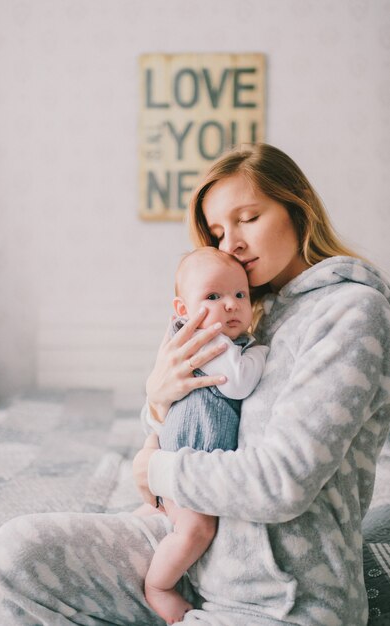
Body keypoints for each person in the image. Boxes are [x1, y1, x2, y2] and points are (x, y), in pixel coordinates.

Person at [0, 143, 390, 626]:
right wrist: (157, 397)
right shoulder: (249, 311)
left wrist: (157, 469)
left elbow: (283, 481)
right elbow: (190, 418)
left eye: (248, 218)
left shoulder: (351, 311)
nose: (230, 243)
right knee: (17, 555)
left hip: (279, 601)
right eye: (218, 231)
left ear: (297, 207)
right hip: (203, 556)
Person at [142, 247, 268, 624]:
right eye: (213, 297)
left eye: (240, 295)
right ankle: (158, 587)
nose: (230, 305)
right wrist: (262, 353)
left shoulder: (216, 338)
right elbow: (239, 383)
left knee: (181, 523)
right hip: (183, 464)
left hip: (187, 463)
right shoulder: (207, 340)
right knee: (197, 529)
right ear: (183, 310)